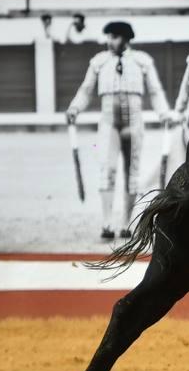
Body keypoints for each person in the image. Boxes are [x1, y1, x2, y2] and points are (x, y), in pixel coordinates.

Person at [65, 19, 175, 240]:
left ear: (125, 39)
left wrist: (164, 113)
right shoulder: (99, 61)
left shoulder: (142, 60)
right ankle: (107, 223)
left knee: (132, 173)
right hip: (108, 123)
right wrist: (75, 108)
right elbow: (86, 90)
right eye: (108, 37)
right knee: (107, 170)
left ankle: (126, 224)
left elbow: (155, 91)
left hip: (134, 123)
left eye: (113, 37)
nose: (109, 41)